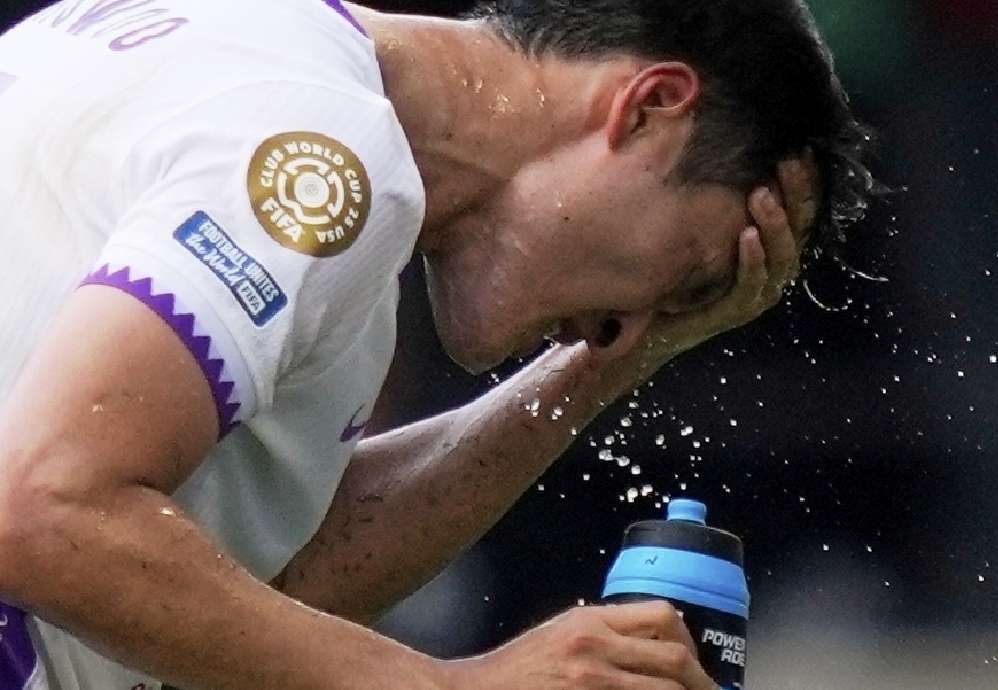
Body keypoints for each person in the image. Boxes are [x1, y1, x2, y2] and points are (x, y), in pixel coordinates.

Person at [0, 0, 873, 688]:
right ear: (648, 109)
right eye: (684, 278)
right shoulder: (330, 154)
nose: (629, 319)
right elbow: (43, 510)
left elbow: (228, 591)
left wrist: (610, 365)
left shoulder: (247, 42)